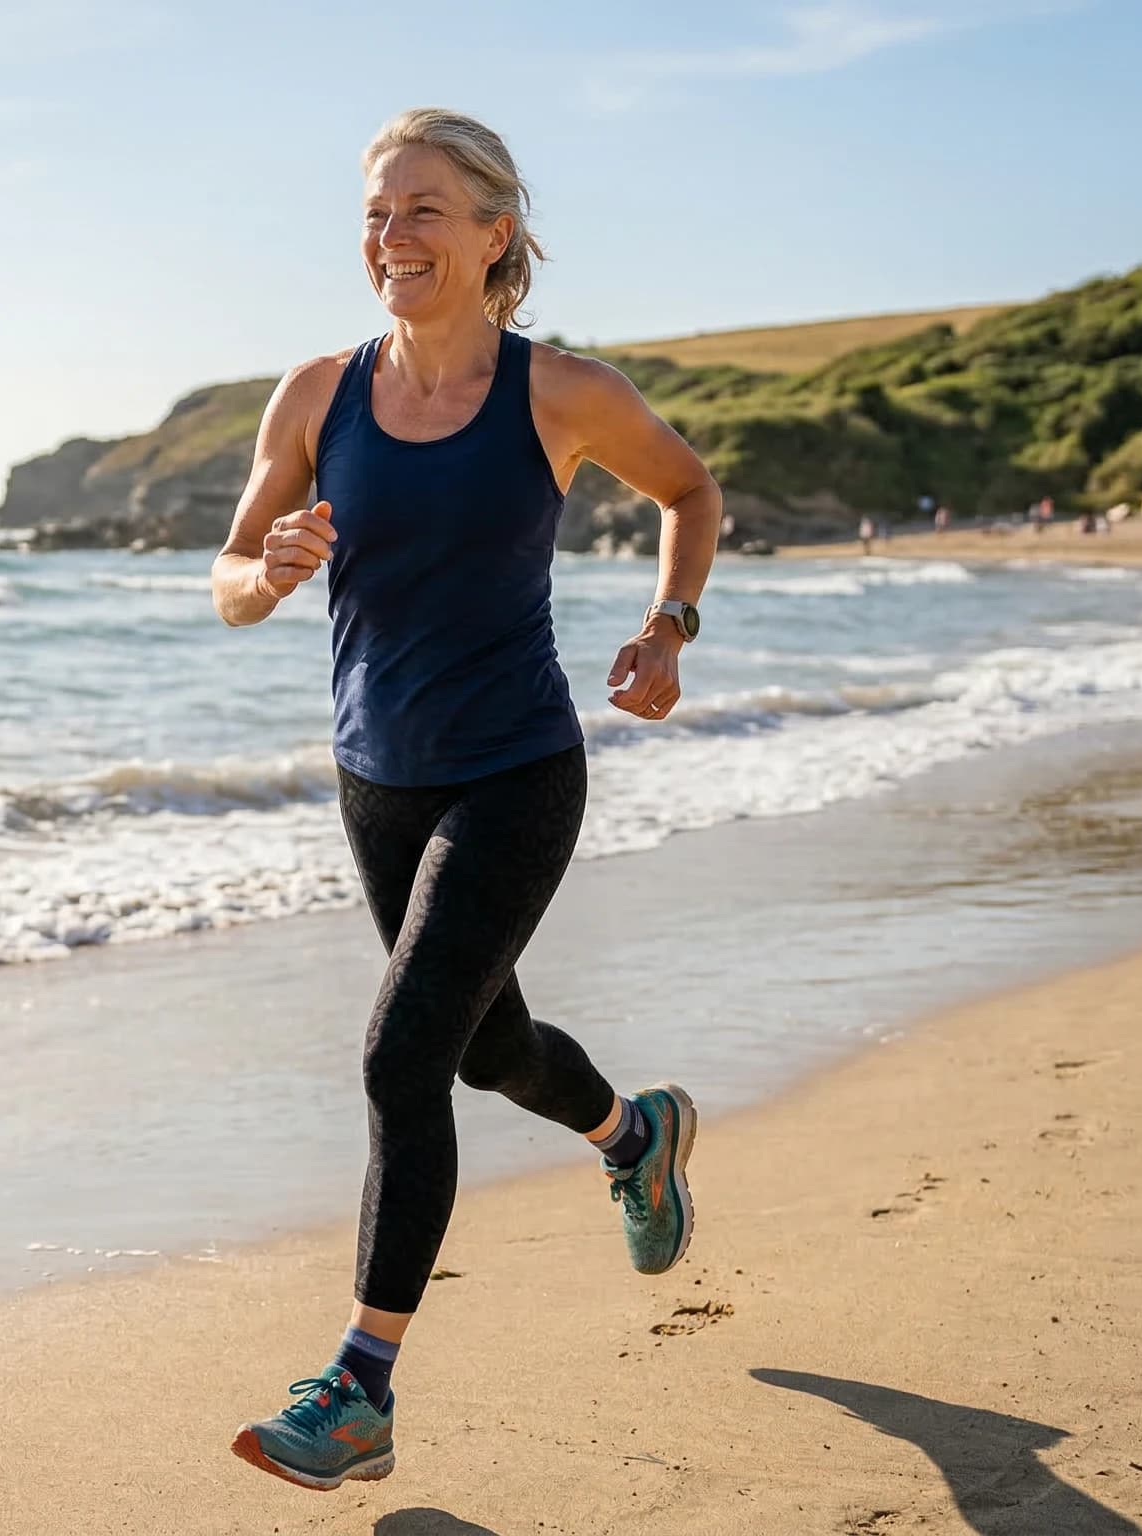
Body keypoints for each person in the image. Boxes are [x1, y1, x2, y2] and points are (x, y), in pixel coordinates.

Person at [210, 107, 712, 1493]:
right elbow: (231, 582)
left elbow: (687, 486)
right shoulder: (315, 393)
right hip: (377, 780)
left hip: (514, 774)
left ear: (496, 233)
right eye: (377, 212)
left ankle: (360, 1389)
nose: (391, 237)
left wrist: (668, 625)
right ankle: (635, 1133)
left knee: (397, 1057)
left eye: (423, 209)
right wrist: (275, 568)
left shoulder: (560, 393)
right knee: (485, 1053)